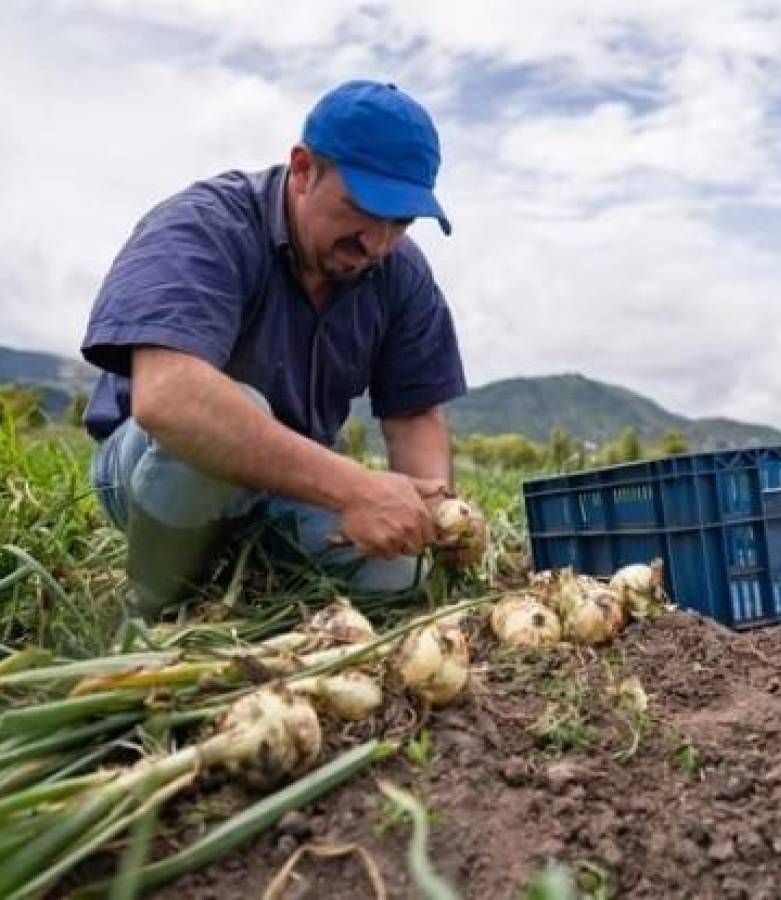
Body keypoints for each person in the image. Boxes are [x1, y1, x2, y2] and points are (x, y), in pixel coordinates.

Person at [80, 80, 482, 618]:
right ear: (302, 168)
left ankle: (254, 569)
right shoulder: (206, 225)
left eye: (401, 222)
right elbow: (169, 398)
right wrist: (355, 488)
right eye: (363, 208)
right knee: (233, 409)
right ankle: (152, 608)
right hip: (156, 468)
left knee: (396, 574)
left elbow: (413, 415)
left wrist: (433, 516)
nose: (378, 243)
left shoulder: (399, 272)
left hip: (295, 485)